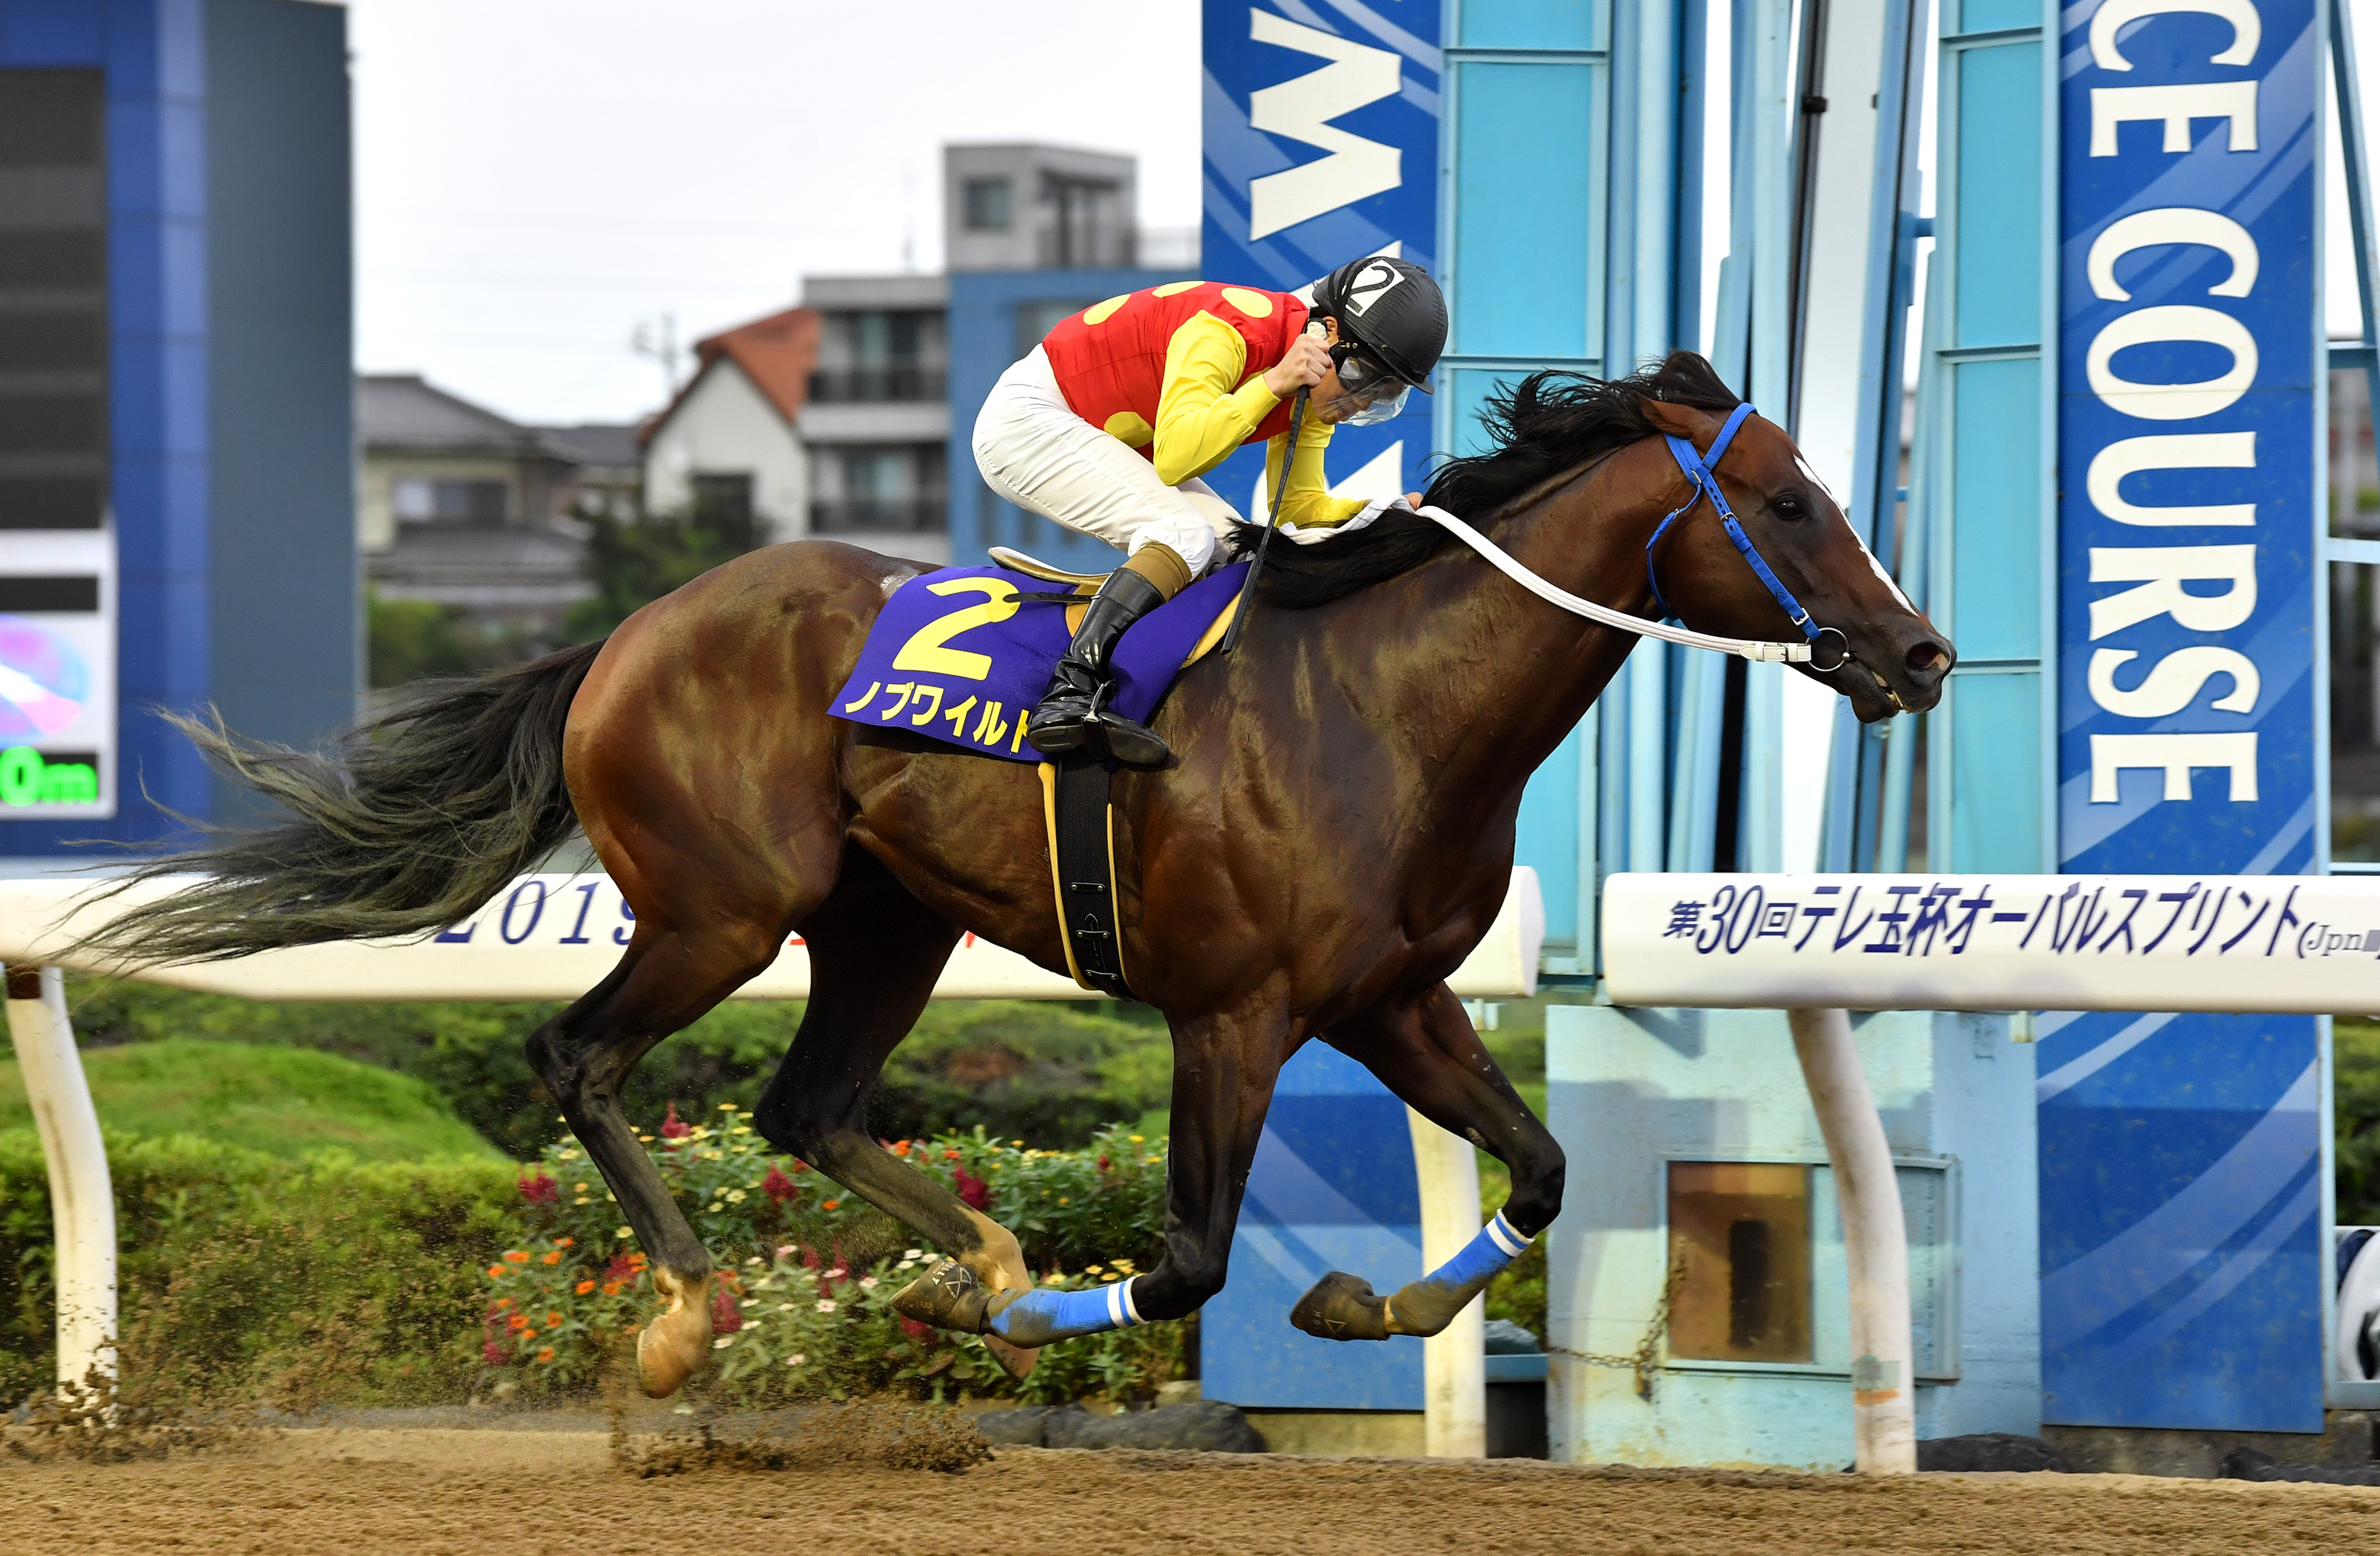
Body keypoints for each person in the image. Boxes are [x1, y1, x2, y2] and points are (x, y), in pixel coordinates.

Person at [970, 254, 1448, 765]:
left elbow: (1296, 507)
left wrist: (1389, 513)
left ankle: (1160, 701)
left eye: (1387, 392)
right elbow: (1176, 457)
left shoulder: (1313, 385)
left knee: (1240, 557)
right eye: (1363, 377)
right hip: (1029, 418)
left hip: (1096, 430)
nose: (1362, 402)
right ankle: (1070, 691)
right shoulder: (1229, 329)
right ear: (1327, 333)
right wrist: (1271, 384)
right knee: (1184, 535)